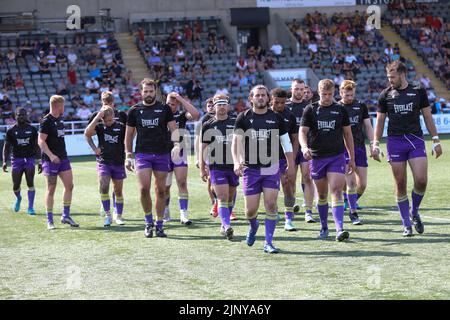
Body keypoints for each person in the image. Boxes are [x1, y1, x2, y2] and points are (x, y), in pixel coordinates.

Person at [372, 61, 443, 236]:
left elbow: (427, 116)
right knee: (401, 184)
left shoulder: (418, 91)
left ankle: (414, 211)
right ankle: (406, 224)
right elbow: (380, 121)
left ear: (402, 74)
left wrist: (435, 140)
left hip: (416, 140)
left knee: (421, 180)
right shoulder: (385, 95)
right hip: (395, 142)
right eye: (388, 77)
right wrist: (375, 143)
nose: (390, 80)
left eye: (393, 77)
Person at [232, 85, 295, 254]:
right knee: (250, 211)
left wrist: (290, 164)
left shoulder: (276, 118)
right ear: (251, 98)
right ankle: (253, 226)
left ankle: (269, 242)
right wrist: (237, 162)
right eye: (257, 95)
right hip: (250, 169)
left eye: (263, 95)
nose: (260, 98)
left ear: (268, 99)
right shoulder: (243, 117)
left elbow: (286, 142)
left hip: (271, 167)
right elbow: (236, 143)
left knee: (271, 204)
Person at [299, 79, 355, 241]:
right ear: (319, 92)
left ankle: (339, 229)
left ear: (334, 93)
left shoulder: (340, 110)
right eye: (324, 94)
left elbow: (347, 134)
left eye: (330, 94)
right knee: (322, 195)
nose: (327, 97)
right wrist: (304, 147)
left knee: (336, 191)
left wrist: (351, 157)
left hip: (336, 156)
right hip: (317, 158)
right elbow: (302, 132)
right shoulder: (310, 110)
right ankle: (324, 226)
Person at [125, 78, 180, 238]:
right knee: (143, 189)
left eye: (151, 91)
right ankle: (148, 222)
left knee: (161, 191)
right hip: (142, 154)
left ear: (155, 91)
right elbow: (128, 135)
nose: (148, 94)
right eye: (145, 91)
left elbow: (174, 129)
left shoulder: (164, 109)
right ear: (141, 92)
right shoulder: (134, 110)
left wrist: (176, 144)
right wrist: (128, 154)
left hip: (162, 154)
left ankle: (160, 224)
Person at [200, 94, 238, 240]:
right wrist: (202, 167)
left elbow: (242, 143)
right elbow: (203, 147)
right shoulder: (208, 124)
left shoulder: (235, 122)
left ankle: (224, 223)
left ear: (228, 106)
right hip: (216, 166)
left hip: (233, 165)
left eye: (224, 104)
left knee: (230, 197)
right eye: (219, 104)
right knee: (222, 197)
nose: (221, 106)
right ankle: (227, 225)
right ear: (213, 106)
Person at [38, 95, 79, 230]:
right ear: (58, 106)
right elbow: (41, 141)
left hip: (63, 158)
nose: (64, 108)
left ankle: (65, 215)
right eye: (63, 105)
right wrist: (51, 155)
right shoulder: (46, 121)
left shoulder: (60, 120)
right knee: (51, 189)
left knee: (70, 186)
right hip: (50, 161)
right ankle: (49, 220)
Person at [338, 80, 375, 224]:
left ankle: (348, 199)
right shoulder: (337, 108)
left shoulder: (361, 106)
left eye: (351, 94)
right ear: (341, 93)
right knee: (351, 182)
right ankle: (353, 213)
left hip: (359, 148)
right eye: (346, 95)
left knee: (363, 184)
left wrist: (373, 143)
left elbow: (367, 125)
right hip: (343, 150)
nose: (349, 97)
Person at [84, 105, 126, 227]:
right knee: (104, 187)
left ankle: (118, 215)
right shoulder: (100, 126)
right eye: (105, 120)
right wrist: (94, 148)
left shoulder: (121, 127)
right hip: (104, 161)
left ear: (113, 116)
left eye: (109, 120)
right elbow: (87, 134)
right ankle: (108, 215)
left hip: (118, 162)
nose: (107, 123)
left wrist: (127, 153)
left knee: (118, 190)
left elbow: (130, 136)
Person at [164, 92, 200, 224]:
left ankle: (183, 214)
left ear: (177, 105)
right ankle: (166, 208)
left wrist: (181, 99)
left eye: (173, 104)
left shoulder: (181, 115)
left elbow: (196, 115)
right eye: (168, 103)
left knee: (182, 182)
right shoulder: (161, 113)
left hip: (179, 152)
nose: (170, 106)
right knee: (165, 186)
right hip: (164, 153)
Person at [286, 79, 316, 223]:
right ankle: (289, 210)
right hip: (289, 149)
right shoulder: (284, 106)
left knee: (307, 176)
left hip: (306, 147)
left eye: (301, 89)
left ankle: (308, 211)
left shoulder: (309, 107)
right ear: (291, 89)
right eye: (296, 89)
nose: (299, 91)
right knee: (290, 179)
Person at [270, 88, 299, 232]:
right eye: (277, 102)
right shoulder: (264, 114)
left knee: (287, 185)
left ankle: (289, 219)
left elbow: (294, 139)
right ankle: (273, 211)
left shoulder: (290, 116)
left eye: (282, 102)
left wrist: (291, 160)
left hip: (283, 157)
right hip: (266, 158)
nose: (280, 105)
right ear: (271, 100)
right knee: (270, 189)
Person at [2, 107, 42, 215]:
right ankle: (19, 198)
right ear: (16, 116)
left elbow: (37, 146)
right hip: (16, 159)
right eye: (19, 115)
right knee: (15, 185)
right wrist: (4, 161)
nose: (21, 116)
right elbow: (6, 147)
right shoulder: (11, 130)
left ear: (26, 116)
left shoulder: (32, 130)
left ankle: (30, 208)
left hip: (29, 159)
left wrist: (39, 161)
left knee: (30, 183)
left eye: (23, 114)